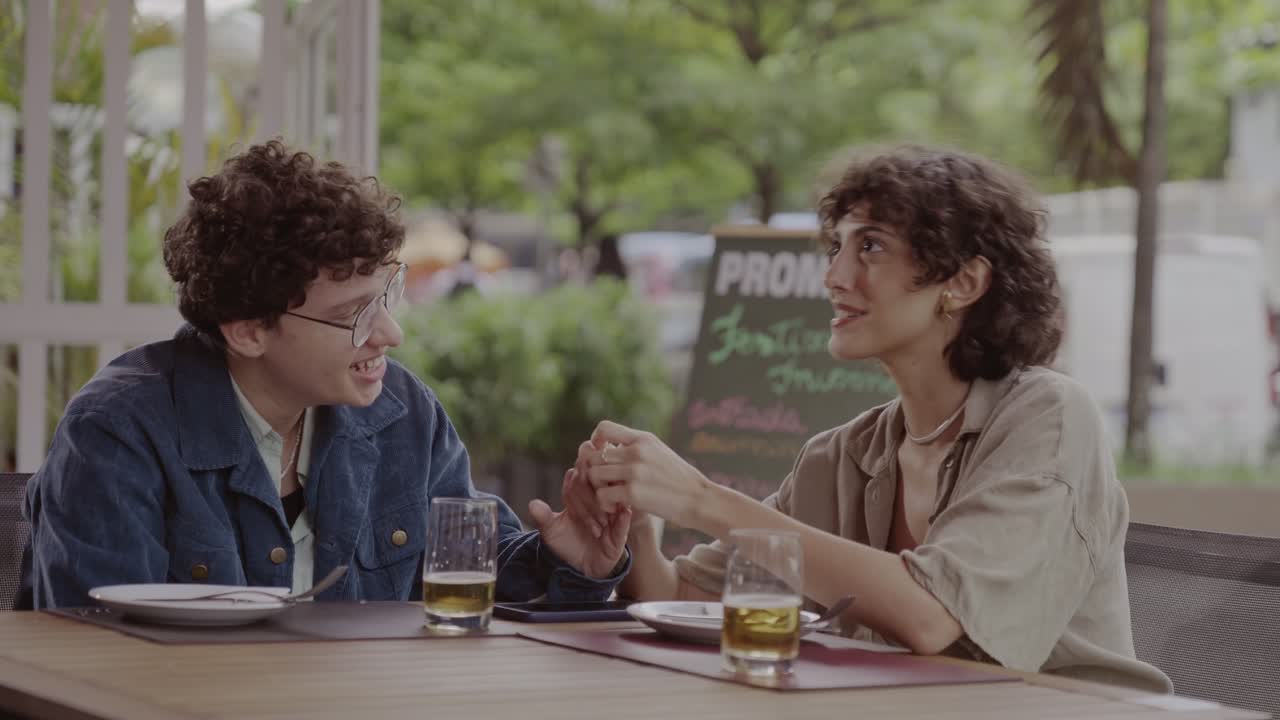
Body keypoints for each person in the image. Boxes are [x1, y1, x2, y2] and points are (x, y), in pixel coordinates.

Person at [566, 145, 1172, 692]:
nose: (834, 277)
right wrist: (634, 530)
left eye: (871, 246)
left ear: (963, 282)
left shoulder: (1050, 417)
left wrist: (699, 499)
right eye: (838, 247)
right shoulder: (841, 455)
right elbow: (685, 596)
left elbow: (932, 616)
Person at [20, 140, 628, 609]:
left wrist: (564, 560)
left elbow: (475, 581)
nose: (391, 335)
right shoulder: (119, 432)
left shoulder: (402, 412)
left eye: (386, 297)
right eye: (353, 315)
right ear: (249, 329)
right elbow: (99, 659)